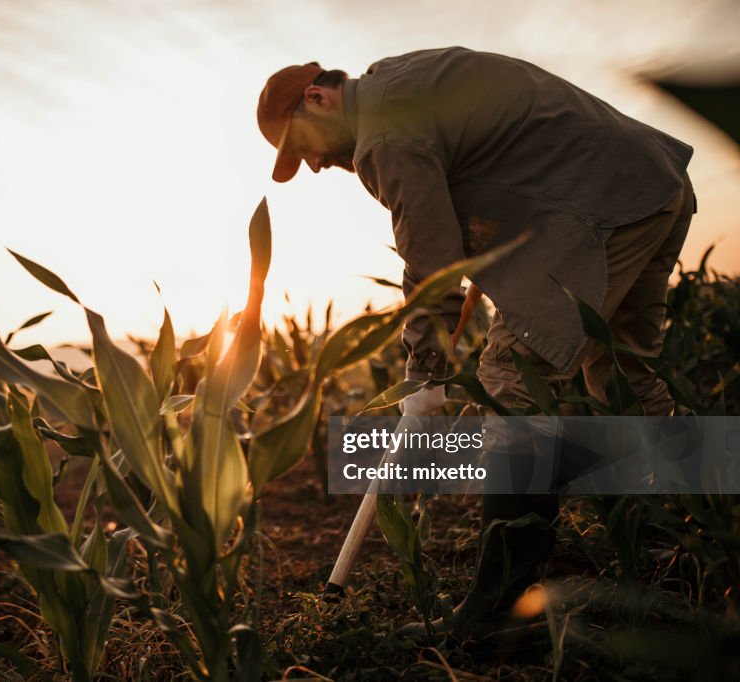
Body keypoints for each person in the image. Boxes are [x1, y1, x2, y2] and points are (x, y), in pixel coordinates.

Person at [256, 47, 695, 637]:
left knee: (513, 380)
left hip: (601, 211)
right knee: (622, 376)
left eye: (300, 146)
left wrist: (424, 373)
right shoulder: (396, 83)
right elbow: (489, 172)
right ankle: (700, 537)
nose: (312, 163)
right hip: (649, 184)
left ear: (317, 98)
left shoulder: (384, 138)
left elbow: (430, 262)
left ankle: (499, 617)